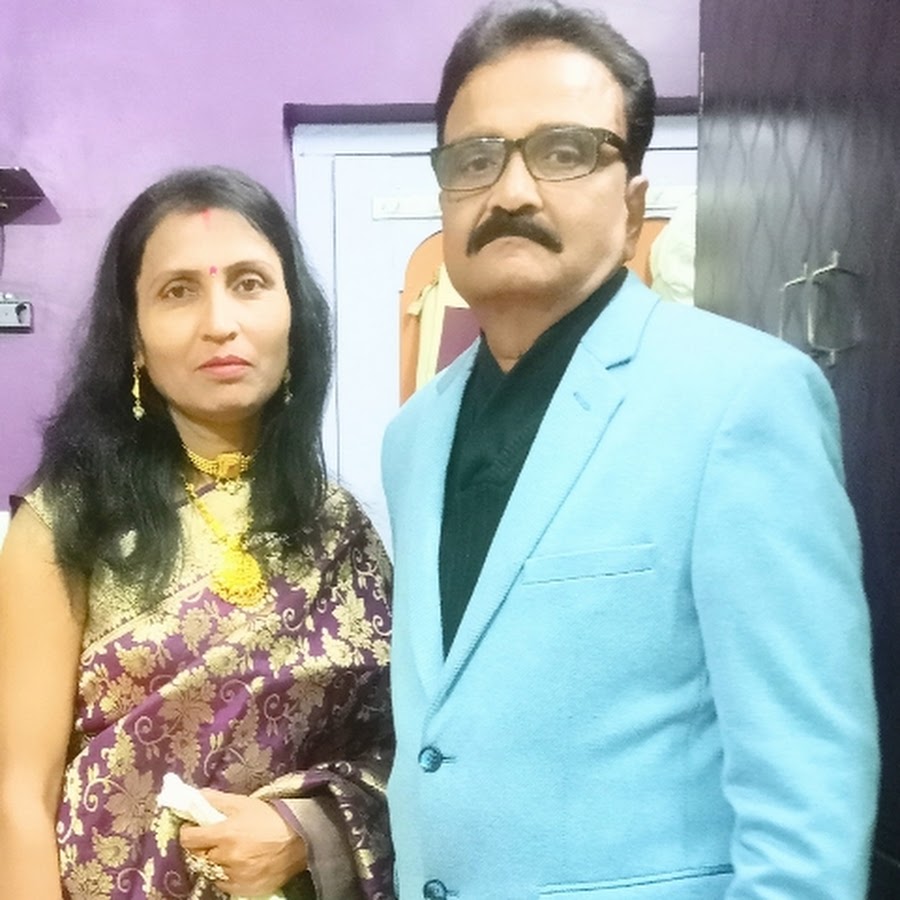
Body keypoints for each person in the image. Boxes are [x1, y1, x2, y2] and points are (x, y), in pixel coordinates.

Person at [381, 3, 879, 898]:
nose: (512, 192)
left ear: (633, 200)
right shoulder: (411, 437)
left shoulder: (740, 399)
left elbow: (808, 796)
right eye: (475, 159)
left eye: (565, 151)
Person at [0, 166, 394, 899]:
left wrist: (305, 829)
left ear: (293, 317)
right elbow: (18, 796)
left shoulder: (342, 530)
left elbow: (400, 754)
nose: (220, 322)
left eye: (249, 283)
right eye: (178, 291)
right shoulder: (66, 523)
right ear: (135, 337)